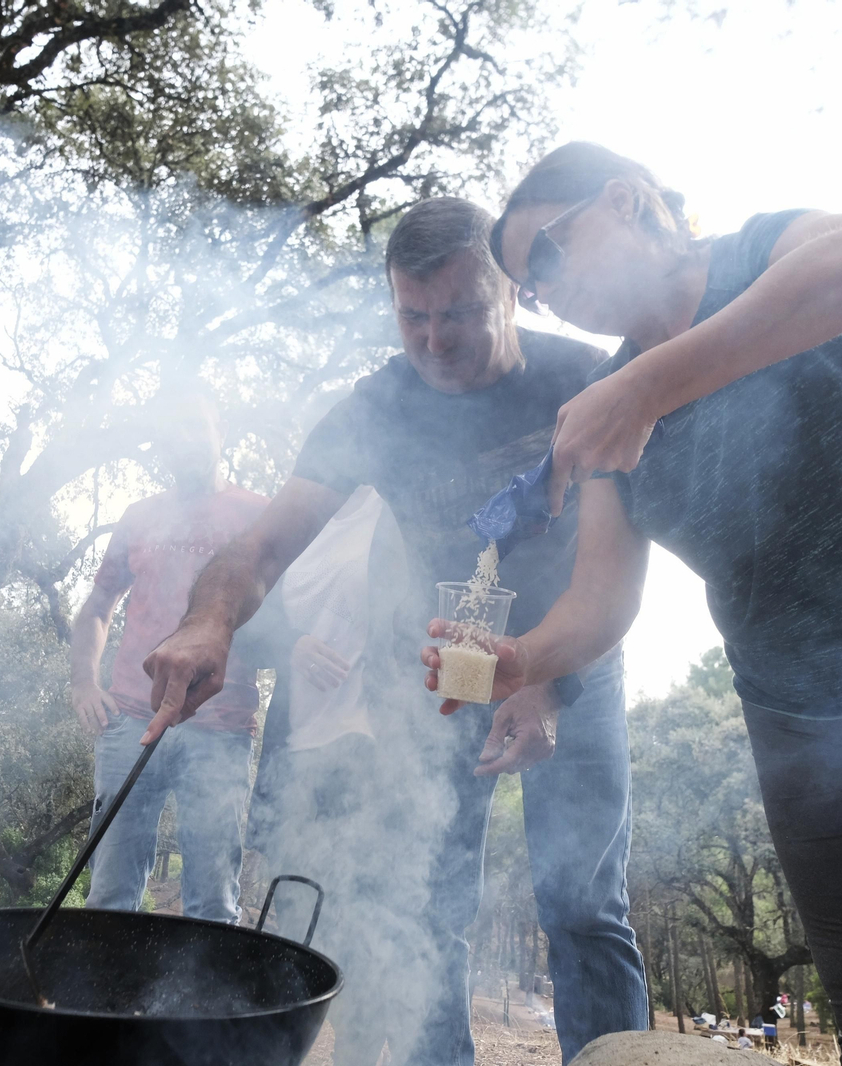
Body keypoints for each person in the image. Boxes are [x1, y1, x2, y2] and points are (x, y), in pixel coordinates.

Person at [422, 141, 842, 1064]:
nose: (545, 295)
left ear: (628, 202)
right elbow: (604, 598)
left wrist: (651, 382)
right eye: (529, 290)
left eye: (546, 255)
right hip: (798, 714)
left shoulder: (760, 257)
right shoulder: (606, 399)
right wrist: (525, 659)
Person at [140, 197, 649, 1065]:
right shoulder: (376, 408)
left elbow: (623, 566)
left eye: (460, 315)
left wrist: (547, 678)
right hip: (446, 671)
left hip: (573, 659)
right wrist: (208, 623)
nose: (434, 343)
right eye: (413, 317)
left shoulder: (589, 379)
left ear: (512, 295)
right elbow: (262, 544)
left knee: (582, 904)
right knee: (428, 898)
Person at [68, 390, 268, 922]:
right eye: (171, 432)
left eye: (194, 426)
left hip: (220, 727)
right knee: (110, 894)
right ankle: (102, 999)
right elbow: (96, 606)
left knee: (212, 902)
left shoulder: (257, 515)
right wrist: (84, 683)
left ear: (219, 429)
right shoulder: (140, 516)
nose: (184, 441)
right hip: (130, 722)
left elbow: (291, 609)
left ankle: (204, 1005)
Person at [242, 485, 397, 1066]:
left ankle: (355, 1059)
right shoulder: (305, 521)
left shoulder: (395, 510)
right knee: (293, 920)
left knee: (360, 926)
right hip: (294, 749)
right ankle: (285, 1054)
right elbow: (249, 621)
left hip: (364, 748)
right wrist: (294, 642)